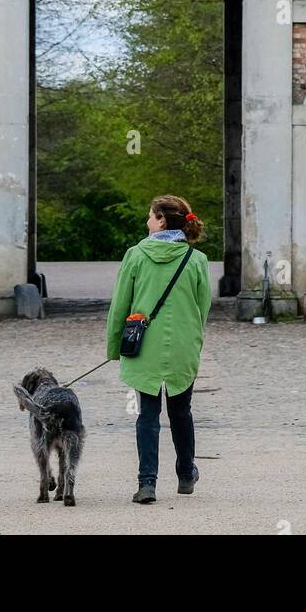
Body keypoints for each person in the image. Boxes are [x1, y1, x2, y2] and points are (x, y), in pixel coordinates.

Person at [105, 194, 212, 504]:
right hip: (182, 346)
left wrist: (114, 347)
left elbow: (120, 306)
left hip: (144, 346)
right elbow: (202, 308)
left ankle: (147, 483)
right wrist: (192, 339)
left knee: (147, 416)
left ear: (162, 221)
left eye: (151, 216)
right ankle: (185, 474)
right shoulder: (197, 260)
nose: (146, 221)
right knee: (182, 412)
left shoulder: (135, 255)